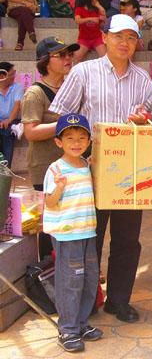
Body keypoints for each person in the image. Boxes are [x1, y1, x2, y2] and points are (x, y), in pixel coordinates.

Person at [49, 14, 152, 324]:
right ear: (105, 37)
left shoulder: (142, 78)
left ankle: (119, 301)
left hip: (129, 171)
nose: (124, 42)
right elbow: (62, 118)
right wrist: (78, 153)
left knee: (127, 239)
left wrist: (145, 121)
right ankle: (88, 302)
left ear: (137, 42)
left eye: (130, 37)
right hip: (90, 168)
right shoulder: (84, 72)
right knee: (91, 237)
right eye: (118, 36)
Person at [44, 113, 102, 352]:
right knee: (71, 282)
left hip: (87, 232)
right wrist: (59, 188)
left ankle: (81, 323)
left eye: (81, 138)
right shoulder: (56, 169)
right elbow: (49, 203)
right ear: (59, 142)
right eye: (69, 138)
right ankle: (67, 329)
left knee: (89, 280)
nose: (76, 142)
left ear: (89, 141)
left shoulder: (87, 166)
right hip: (67, 235)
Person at [22, 37, 79, 259]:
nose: (68, 58)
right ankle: (48, 269)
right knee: (50, 225)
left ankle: (68, 267)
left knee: (71, 220)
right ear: (45, 60)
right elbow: (31, 131)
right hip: (45, 168)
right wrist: (66, 123)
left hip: (71, 166)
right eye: (61, 55)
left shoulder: (69, 88)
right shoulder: (35, 93)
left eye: (70, 54)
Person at [73, 0, 107, 65]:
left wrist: (104, 19)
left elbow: (101, 25)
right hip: (84, 38)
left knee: (104, 56)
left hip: (97, 38)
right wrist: (90, 19)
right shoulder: (79, 9)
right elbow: (77, 20)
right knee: (77, 56)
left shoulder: (96, 9)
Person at [0, 62, 23, 167]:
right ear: (2, 76)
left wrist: (8, 121)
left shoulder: (17, 87)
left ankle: (6, 168)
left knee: (7, 131)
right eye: (12, 74)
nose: (14, 76)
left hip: (12, 121)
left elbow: (17, 105)